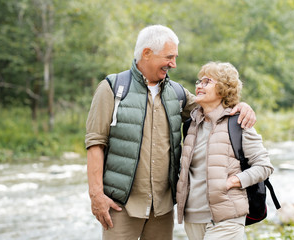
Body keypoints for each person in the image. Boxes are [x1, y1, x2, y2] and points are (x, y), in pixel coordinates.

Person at [85, 25, 256, 240]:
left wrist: (242, 106)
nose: (173, 64)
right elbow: (95, 143)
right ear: (147, 53)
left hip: (162, 208)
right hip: (122, 206)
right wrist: (96, 195)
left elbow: (215, 108)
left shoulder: (177, 93)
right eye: (169, 57)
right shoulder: (112, 88)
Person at [176, 61, 274, 240]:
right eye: (199, 82)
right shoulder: (190, 124)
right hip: (192, 216)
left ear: (222, 88)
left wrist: (235, 181)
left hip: (227, 216)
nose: (199, 86)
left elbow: (264, 166)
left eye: (207, 82)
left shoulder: (238, 123)